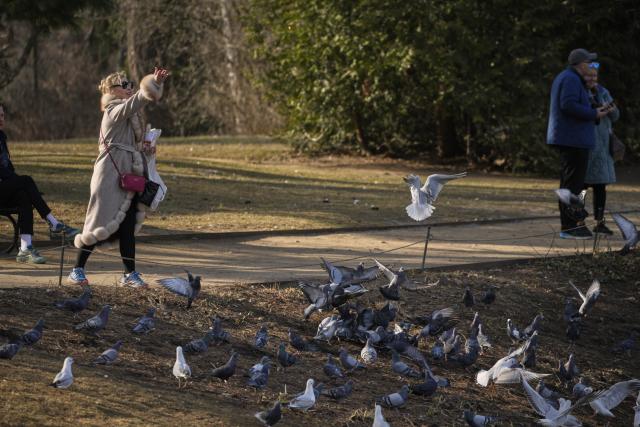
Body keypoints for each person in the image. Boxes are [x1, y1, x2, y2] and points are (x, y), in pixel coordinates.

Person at [68, 67, 169, 287]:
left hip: (126, 177)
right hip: (108, 176)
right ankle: (77, 269)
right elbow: (135, 103)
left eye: (131, 84)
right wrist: (153, 83)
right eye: (125, 85)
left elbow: (133, 145)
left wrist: (147, 147)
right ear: (112, 90)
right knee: (97, 222)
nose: (130, 88)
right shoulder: (113, 110)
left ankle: (129, 274)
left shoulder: (128, 117)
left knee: (127, 225)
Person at [0, 103, 80, 264]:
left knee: (24, 195)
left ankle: (25, 248)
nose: (1, 119)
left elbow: (7, 167)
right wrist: (16, 180)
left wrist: (16, 182)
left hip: (4, 188)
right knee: (26, 181)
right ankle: (54, 223)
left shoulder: (1, 136)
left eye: (2, 115)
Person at [546, 48, 611, 239]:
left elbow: (574, 104)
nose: (591, 66)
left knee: (571, 184)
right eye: (589, 62)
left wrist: (595, 109)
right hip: (572, 139)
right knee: (572, 185)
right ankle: (570, 227)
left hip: (573, 138)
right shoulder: (571, 79)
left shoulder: (570, 78)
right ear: (580, 65)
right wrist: (593, 114)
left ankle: (571, 225)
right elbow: (568, 104)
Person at [583, 65, 619, 235]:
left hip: (603, 147)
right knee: (581, 186)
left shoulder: (603, 92)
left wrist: (611, 109)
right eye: (589, 76)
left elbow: (616, 116)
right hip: (586, 145)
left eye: (595, 76)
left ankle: (599, 222)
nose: (592, 79)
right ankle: (577, 221)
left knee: (600, 187)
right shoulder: (580, 92)